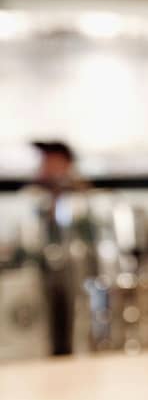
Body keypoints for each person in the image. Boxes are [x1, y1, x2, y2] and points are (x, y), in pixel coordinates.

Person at [31, 141, 89, 355]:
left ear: (66, 163)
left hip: (78, 279)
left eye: (49, 160)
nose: (43, 167)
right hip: (42, 281)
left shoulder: (82, 199)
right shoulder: (34, 200)